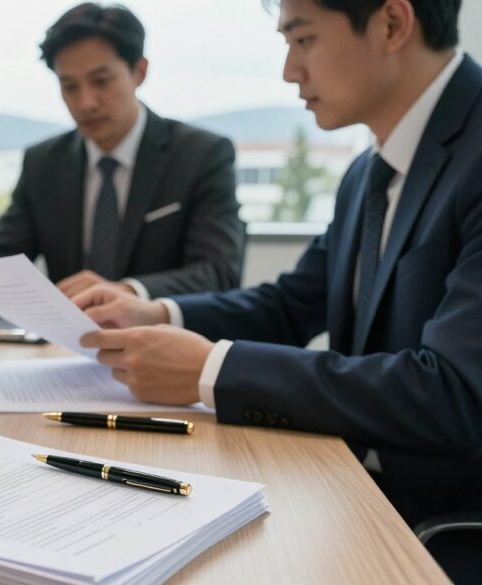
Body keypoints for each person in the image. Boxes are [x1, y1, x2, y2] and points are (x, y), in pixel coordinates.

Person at [75, 0, 481, 576]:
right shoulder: (369, 171)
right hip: (354, 492)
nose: (290, 71)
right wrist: (158, 312)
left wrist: (211, 370)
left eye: (303, 40)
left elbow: (455, 395)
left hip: (439, 532)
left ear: (392, 24)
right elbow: (291, 305)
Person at [0, 2, 245, 320]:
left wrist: (128, 291)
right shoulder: (44, 163)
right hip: (65, 350)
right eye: (69, 86)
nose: (86, 103)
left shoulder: (201, 155)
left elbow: (219, 273)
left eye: (101, 81)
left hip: (168, 347)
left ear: (139, 71)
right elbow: (1, 256)